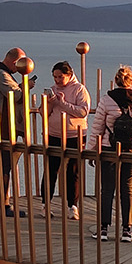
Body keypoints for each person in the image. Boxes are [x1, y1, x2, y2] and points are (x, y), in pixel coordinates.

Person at [87, 65, 132, 242]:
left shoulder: (106, 100)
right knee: (128, 190)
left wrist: (91, 150)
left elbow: (97, 128)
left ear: (116, 81)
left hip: (109, 149)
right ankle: (127, 230)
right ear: (131, 81)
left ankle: (103, 229)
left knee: (107, 190)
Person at [0, 47, 32, 215]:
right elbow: (16, 96)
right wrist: (27, 86)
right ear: (14, 62)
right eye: (19, 65)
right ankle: (4, 206)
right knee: (4, 164)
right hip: (1, 123)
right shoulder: (0, 75)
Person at [41, 61, 91, 220]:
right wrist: (48, 104)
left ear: (69, 75)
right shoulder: (53, 90)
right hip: (54, 134)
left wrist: (62, 103)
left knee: (73, 171)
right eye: (55, 77)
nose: (57, 80)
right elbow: (43, 113)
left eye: (60, 77)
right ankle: (45, 204)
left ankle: (72, 206)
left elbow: (83, 111)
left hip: (74, 135)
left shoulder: (79, 89)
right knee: (50, 170)